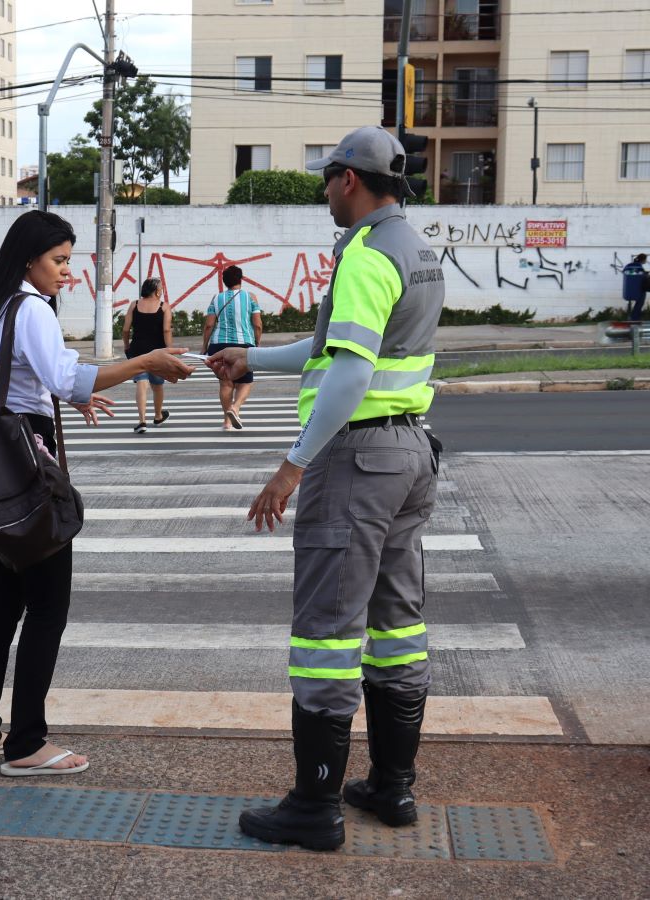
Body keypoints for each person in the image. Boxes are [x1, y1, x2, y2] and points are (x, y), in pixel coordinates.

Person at [208, 125, 445, 851]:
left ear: (349, 179)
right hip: (408, 454)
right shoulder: (416, 248)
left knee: (326, 638)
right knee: (395, 625)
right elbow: (329, 349)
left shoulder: (367, 255)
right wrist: (251, 362)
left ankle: (314, 808)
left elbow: (348, 374)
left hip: (357, 460)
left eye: (328, 177)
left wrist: (292, 465)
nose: (324, 190)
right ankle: (392, 787)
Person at [0, 210, 193, 776]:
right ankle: (27, 744)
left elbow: (13, 379)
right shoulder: (31, 307)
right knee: (47, 606)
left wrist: (64, 394)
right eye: (60, 260)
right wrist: (145, 362)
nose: (68, 271)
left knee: (0, 603)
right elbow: (62, 375)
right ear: (30, 259)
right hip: (25, 463)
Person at [202, 266, 262, 431]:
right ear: (241, 279)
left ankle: (226, 422)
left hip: (219, 345)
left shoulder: (216, 298)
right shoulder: (251, 297)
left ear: (224, 281)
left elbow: (209, 325)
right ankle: (235, 408)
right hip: (243, 345)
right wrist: (257, 342)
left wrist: (204, 346)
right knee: (246, 381)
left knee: (225, 383)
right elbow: (257, 324)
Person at [121, 277, 173, 433]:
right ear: (157, 291)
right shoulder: (164, 307)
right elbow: (166, 330)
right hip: (158, 352)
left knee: (141, 383)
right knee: (157, 385)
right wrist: (169, 350)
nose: (162, 290)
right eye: (161, 288)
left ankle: (142, 421)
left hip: (137, 349)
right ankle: (157, 416)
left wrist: (126, 345)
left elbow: (125, 329)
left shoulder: (134, 305)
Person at [621, 253, 647, 322]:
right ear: (643, 260)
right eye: (645, 260)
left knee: (634, 300)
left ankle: (633, 316)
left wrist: (632, 272)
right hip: (638, 289)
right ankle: (635, 317)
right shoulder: (639, 267)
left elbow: (624, 272)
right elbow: (642, 276)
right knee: (641, 300)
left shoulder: (628, 265)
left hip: (628, 290)